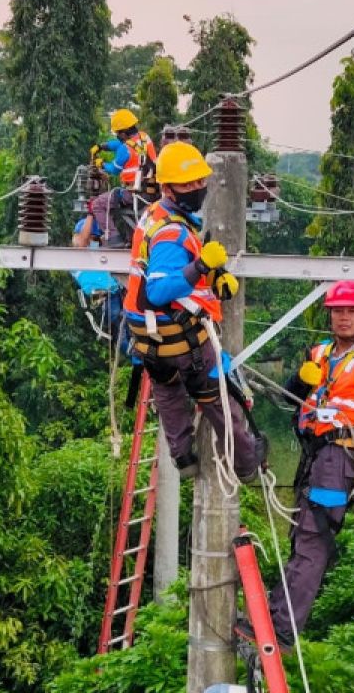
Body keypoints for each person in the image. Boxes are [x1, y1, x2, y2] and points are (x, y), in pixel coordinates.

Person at [237, 280, 354, 651]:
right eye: (338, 311)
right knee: (302, 537)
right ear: (330, 315)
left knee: (312, 541)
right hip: (315, 455)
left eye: (351, 311)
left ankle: (282, 629)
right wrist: (301, 380)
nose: (344, 317)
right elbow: (291, 398)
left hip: (340, 457)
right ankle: (278, 619)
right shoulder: (320, 353)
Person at [122, 141, 265, 482]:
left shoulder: (156, 217)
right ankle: (247, 464)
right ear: (168, 186)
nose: (196, 189)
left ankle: (183, 457)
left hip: (149, 339)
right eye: (187, 185)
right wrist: (202, 265)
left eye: (199, 182)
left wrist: (214, 277)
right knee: (218, 399)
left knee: (168, 393)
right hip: (182, 338)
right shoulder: (172, 232)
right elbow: (159, 290)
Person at [93, 108, 158, 192]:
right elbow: (124, 144)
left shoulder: (124, 149)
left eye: (117, 134)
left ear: (123, 134)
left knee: (98, 203)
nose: (117, 136)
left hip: (133, 192)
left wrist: (102, 164)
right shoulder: (145, 137)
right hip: (151, 189)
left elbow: (114, 169)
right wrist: (102, 146)